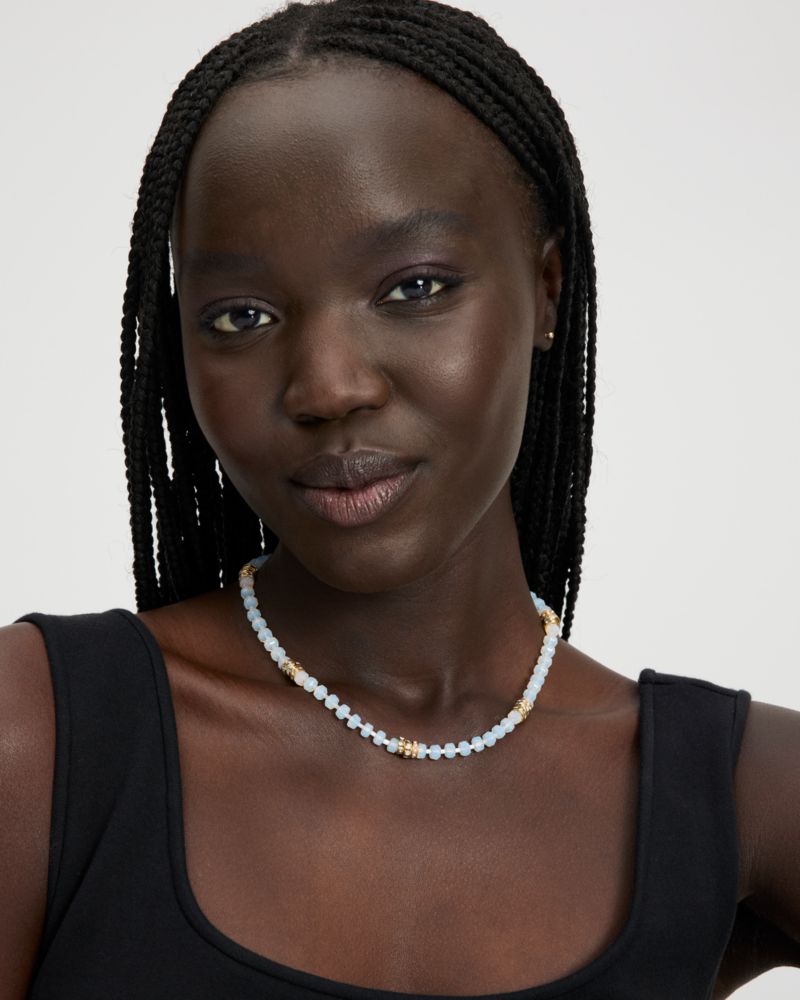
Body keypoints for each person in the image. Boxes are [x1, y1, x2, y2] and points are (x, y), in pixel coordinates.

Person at [1, 0, 798, 996]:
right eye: (240, 315)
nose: (328, 386)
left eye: (413, 288)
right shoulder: (37, 740)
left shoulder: (745, 795)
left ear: (547, 288)